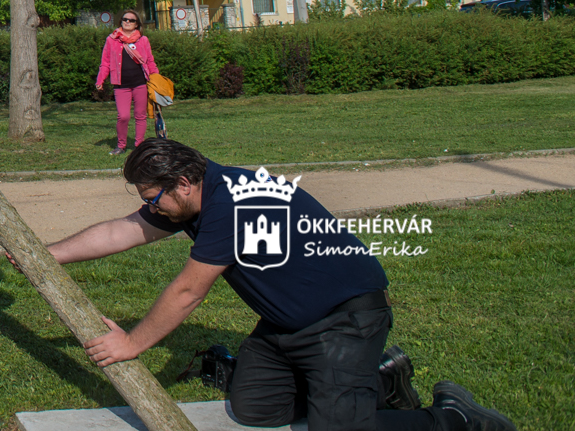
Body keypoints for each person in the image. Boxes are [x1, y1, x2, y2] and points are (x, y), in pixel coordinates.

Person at [49, 139, 518, 431]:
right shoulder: (202, 195)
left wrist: (131, 342)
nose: (152, 209)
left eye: (154, 200)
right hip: (285, 327)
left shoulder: (233, 205)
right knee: (255, 410)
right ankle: (374, 380)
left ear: (184, 182)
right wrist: (48, 254)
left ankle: (452, 416)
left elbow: (188, 292)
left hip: (346, 319)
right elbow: (121, 231)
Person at [96, 9, 158, 156]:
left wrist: (156, 79)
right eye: (125, 19)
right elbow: (105, 62)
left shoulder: (143, 40)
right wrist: (100, 79)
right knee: (123, 116)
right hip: (120, 84)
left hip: (140, 83)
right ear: (121, 21)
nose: (127, 22)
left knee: (140, 115)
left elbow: (150, 61)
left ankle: (139, 147)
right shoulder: (112, 40)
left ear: (137, 24)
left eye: (131, 20)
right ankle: (121, 146)